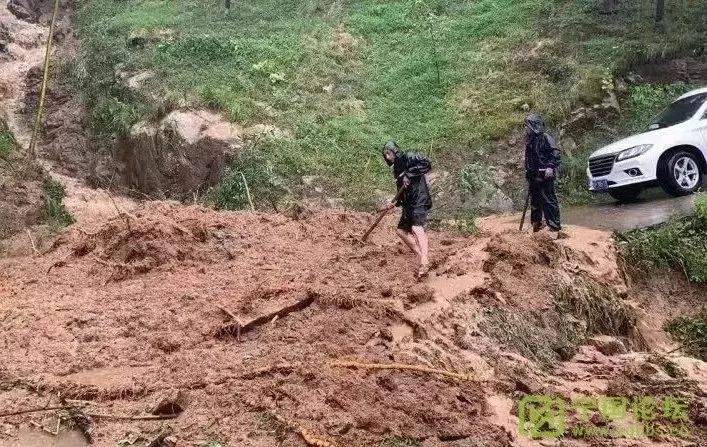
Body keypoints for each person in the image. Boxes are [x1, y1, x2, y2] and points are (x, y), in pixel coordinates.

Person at [380, 140, 433, 277]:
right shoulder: (397, 168)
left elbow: (426, 164)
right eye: (385, 154)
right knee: (400, 231)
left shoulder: (408, 156)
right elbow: (401, 190)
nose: (387, 157)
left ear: (394, 150)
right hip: (408, 203)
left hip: (419, 198)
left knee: (416, 228)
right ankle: (420, 255)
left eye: (388, 153)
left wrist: (409, 174)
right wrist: (394, 202)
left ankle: (425, 260)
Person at [524, 114, 562, 233]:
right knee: (535, 202)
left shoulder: (545, 137)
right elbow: (529, 159)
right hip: (534, 176)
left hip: (545, 175)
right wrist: (529, 173)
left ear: (533, 125)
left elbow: (555, 152)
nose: (525, 129)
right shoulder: (529, 141)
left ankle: (554, 226)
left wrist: (550, 166)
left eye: (527, 126)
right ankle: (536, 225)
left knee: (548, 200)